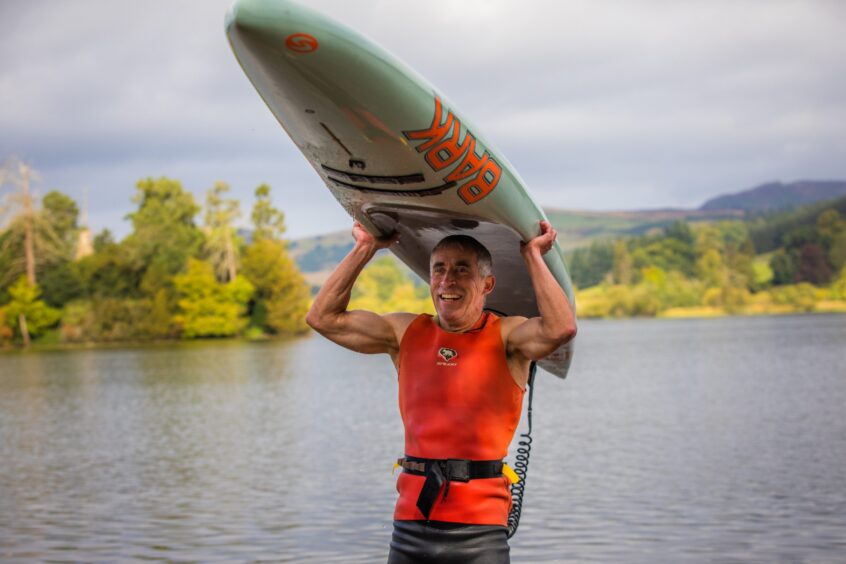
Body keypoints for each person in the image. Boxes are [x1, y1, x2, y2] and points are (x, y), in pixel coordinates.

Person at [306, 219, 576, 564]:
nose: (448, 280)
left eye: (462, 270)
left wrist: (532, 254)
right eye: (439, 270)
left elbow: (560, 328)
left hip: (479, 532)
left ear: (487, 284)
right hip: (410, 526)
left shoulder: (508, 336)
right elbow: (323, 318)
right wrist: (365, 248)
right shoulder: (404, 332)